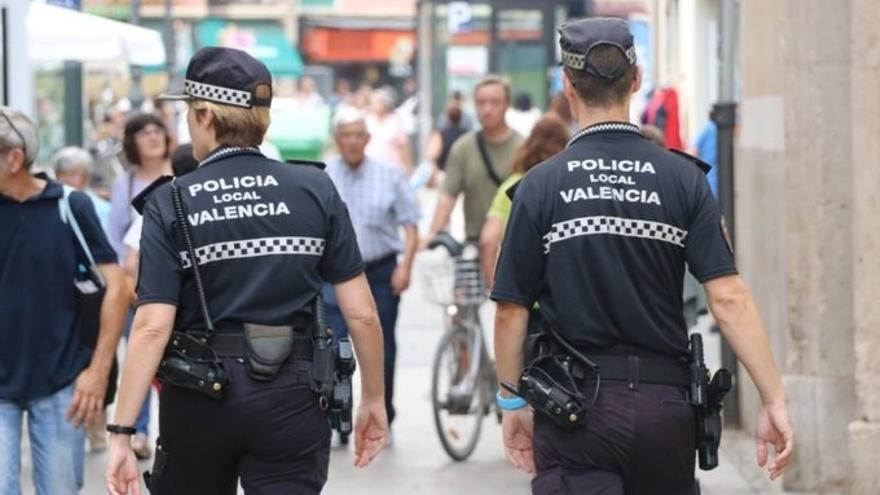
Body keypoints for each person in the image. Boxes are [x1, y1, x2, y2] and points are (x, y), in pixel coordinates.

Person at [490, 18, 794, 494]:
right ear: (636, 79)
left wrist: (512, 403)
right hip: (664, 412)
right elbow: (729, 298)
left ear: (568, 85)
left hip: (576, 415)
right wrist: (772, 397)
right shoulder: (684, 180)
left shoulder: (540, 187)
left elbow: (510, 310)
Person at [105, 46, 388, 495]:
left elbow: (152, 328)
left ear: (206, 117)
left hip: (200, 396)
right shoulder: (315, 187)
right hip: (293, 397)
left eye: (189, 114)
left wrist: (121, 432)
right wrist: (374, 399)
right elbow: (363, 314)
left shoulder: (170, 200)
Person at [0, 107, 127, 494]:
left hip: (61, 383)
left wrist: (97, 371)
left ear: (14, 159)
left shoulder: (69, 206)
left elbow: (117, 287)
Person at [322, 107, 420, 441]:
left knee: (382, 347)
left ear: (367, 138)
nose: (352, 141)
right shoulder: (324, 176)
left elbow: (410, 223)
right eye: (345, 135)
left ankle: (384, 416)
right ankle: (339, 421)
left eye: (357, 134)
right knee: (334, 347)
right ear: (337, 139)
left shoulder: (389, 174)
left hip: (379, 271)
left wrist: (405, 267)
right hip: (333, 274)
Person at [108, 112, 173, 459]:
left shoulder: (183, 175)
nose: (152, 137)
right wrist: (126, 287)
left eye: (157, 130)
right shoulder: (126, 185)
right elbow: (115, 241)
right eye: (144, 132)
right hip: (138, 288)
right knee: (141, 358)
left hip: (180, 289)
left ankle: (178, 430)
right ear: (133, 142)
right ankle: (140, 430)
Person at [425, 75, 523, 250]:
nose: (487, 109)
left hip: (515, 246)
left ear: (507, 104)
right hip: (475, 244)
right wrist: (432, 235)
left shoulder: (523, 148)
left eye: (495, 102)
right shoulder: (463, 148)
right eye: (481, 102)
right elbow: (447, 197)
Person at [479, 116, 570, 289]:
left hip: (522, 296)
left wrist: (496, 289)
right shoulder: (571, 184)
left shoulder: (513, 186)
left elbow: (488, 240)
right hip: (562, 298)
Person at [52, 146, 113, 246]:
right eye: (62, 174)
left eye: (73, 174)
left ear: (86, 177)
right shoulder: (51, 205)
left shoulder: (103, 209)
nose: (67, 180)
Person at [366, 88, 412, 174]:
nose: (373, 106)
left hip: (391, 169)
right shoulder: (368, 120)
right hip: (370, 168)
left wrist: (408, 168)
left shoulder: (395, 122)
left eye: (376, 103)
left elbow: (403, 147)